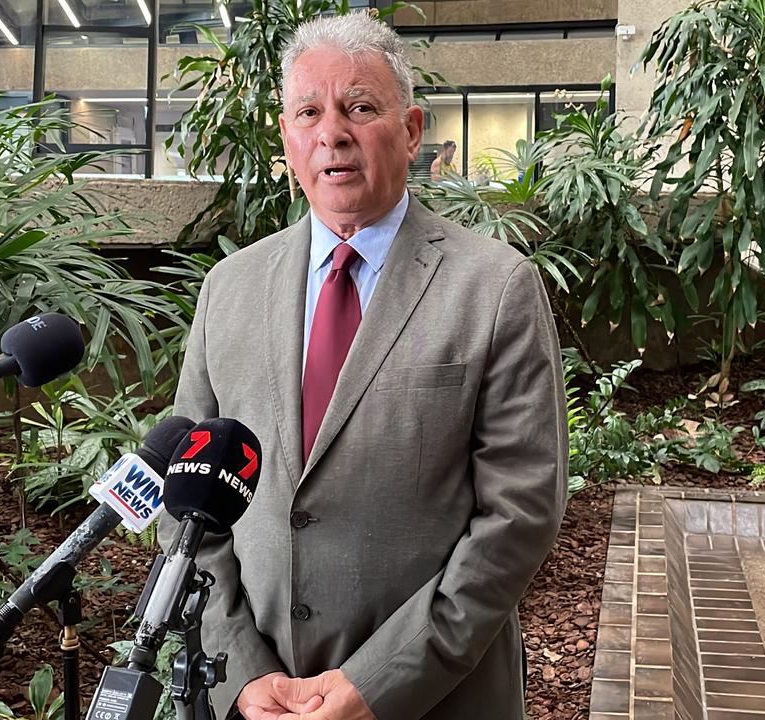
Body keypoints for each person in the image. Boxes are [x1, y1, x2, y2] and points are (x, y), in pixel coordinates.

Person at [166, 12, 566, 720]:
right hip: (260, 701)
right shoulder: (229, 288)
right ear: (286, 138)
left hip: (435, 697)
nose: (333, 134)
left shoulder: (494, 287)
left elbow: (521, 514)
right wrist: (242, 671)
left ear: (411, 130)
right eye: (308, 112)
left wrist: (375, 685)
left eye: (359, 107)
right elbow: (185, 504)